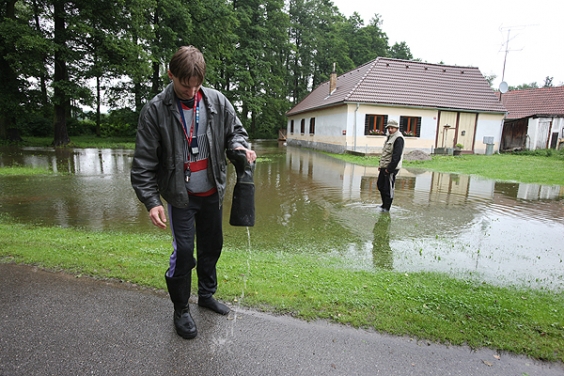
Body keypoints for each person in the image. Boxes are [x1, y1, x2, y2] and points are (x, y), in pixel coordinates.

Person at [131, 46, 256, 340]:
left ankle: (206, 295)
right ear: (171, 74)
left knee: (212, 248)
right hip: (180, 196)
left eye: (197, 84)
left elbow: (236, 132)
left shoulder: (217, 101)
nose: (191, 90)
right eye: (185, 85)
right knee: (184, 252)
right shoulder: (155, 110)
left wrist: (239, 147)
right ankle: (181, 309)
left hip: (212, 191)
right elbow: (143, 162)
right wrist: (151, 201)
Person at [377, 120, 404, 212]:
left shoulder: (398, 139)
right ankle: (383, 205)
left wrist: (389, 169)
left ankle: (386, 208)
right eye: (389, 128)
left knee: (388, 189)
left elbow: (396, 156)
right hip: (384, 166)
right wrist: (381, 165)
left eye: (392, 128)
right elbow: (385, 153)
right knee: (380, 185)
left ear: (396, 128)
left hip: (391, 168)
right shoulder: (389, 137)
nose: (390, 130)